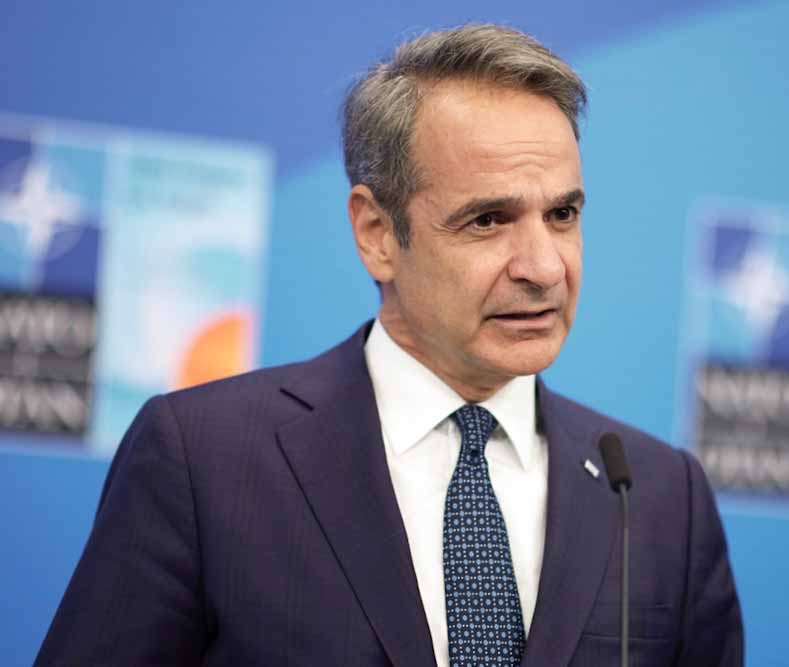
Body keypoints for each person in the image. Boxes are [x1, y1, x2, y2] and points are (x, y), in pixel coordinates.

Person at [37, 24, 743, 666]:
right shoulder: (205, 459)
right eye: (488, 220)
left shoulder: (660, 495)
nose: (544, 266)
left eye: (562, 214)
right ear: (377, 233)